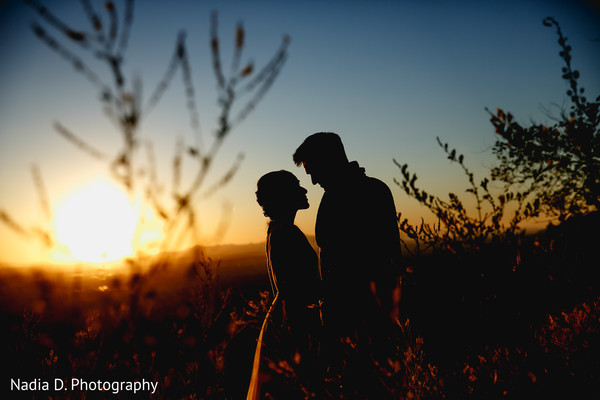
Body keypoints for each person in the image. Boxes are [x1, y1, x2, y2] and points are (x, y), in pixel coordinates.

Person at [293, 132, 401, 398]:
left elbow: (372, 262)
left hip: (361, 322)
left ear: (330, 159)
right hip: (356, 320)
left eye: (313, 169)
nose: (313, 180)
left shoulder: (361, 193)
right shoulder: (360, 191)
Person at [247, 170, 322, 400]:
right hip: (296, 322)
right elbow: (297, 289)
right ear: (284, 196)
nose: (304, 189)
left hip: (287, 319)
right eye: (297, 185)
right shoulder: (287, 233)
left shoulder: (277, 231)